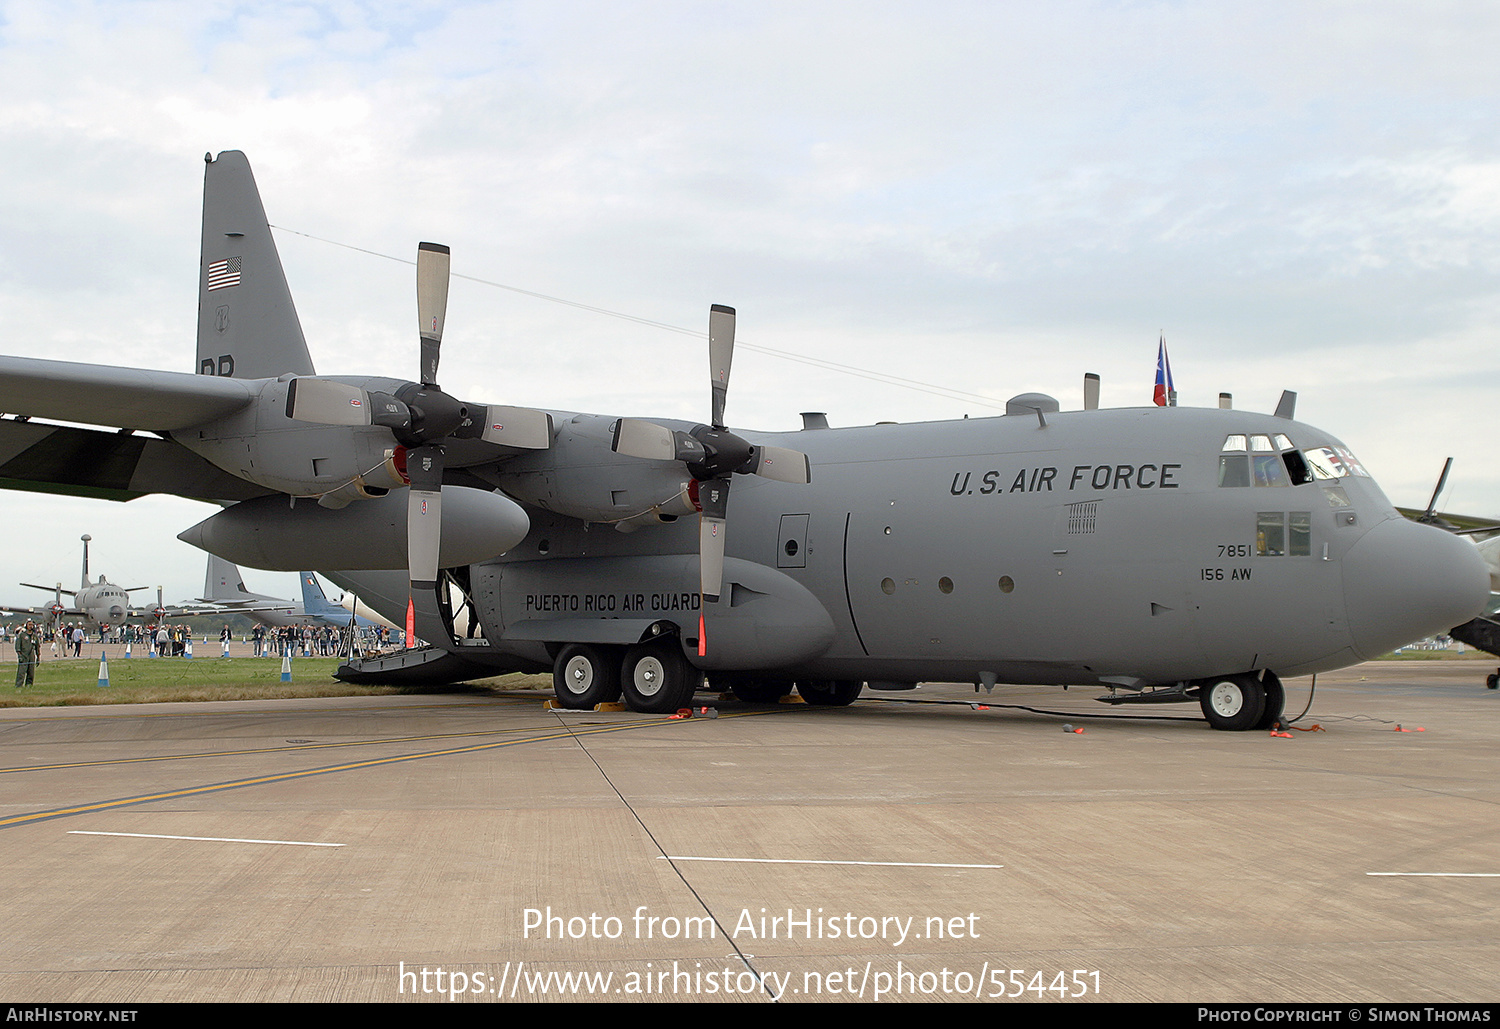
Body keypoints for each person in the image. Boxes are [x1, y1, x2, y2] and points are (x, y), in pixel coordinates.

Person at [15, 620, 39, 688]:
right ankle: (19, 685)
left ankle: (29, 685)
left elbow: (37, 646)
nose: (31, 626)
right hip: (24, 655)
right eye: (29, 625)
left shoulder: (34, 636)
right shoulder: (22, 635)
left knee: (31, 672)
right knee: (21, 672)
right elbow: (17, 646)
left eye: (32, 625)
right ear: (26, 626)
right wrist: (19, 655)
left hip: (31, 655)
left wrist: (38, 657)